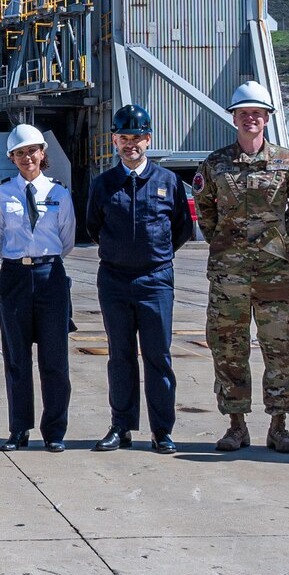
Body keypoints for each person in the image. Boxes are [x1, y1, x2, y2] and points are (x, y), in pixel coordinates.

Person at [194, 80, 289, 453]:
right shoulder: (215, 164)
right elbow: (206, 212)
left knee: (279, 346)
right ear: (234, 117)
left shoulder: (287, 163)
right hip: (229, 273)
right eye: (244, 113)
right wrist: (227, 244)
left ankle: (279, 426)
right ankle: (236, 425)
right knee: (228, 346)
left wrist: (277, 241)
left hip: (273, 273)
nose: (250, 119)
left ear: (267, 117)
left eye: (256, 113)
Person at [85, 105, 196, 454]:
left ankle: (162, 430)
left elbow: (181, 228)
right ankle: (121, 426)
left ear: (148, 139)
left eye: (137, 138)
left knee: (158, 356)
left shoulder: (168, 182)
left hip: (155, 280)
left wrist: (154, 257)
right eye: (124, 138)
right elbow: (93, 228)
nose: (130, 144)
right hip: (115, 281)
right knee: (120, 355)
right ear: (114, 140)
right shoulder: (103, 184)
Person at [0, 123, 76, 451]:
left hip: (50, 276)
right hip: (14, 278)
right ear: (12, 157)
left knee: (54, 359)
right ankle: (19, 429)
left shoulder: (59, 193)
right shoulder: (2, 193)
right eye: (20, 153)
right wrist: (20, 260)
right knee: (16, 359)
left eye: (32, 151)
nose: (27, 158)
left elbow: (66, 239)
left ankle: (54, 431)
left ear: (42, 153)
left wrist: (43, 260)